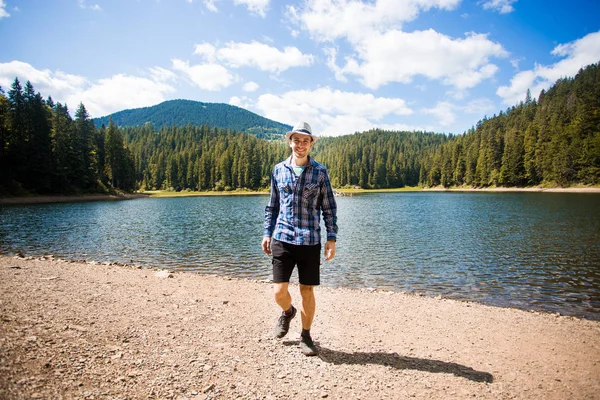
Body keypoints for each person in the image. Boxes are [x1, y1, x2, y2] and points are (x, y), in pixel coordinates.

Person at [262, 121, 338, 356]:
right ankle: (288, 312)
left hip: (310, 240)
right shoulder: (278, 170)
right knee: (278, 291)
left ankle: (305, 335)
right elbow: (272, 205)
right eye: (297, 140)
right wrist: (267, 232)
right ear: (290, 142)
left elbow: (329, 207)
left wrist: (331, 237)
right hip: (282, 237)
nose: (301, 145)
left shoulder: (320, 172)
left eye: (305, 141)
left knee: (307, 290)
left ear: (311, 143)